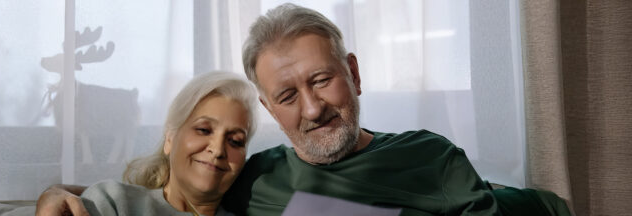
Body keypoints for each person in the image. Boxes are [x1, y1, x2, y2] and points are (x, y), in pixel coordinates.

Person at [38, 3, 571, 216]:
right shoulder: (257, 177)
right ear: (270, 109)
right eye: (289, 97)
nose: (313, 109)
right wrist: (54, 194)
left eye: (323, 81)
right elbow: (160, 193)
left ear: (354, 75)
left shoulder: (430, 157)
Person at [36, 72, 258, 216]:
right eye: (203, 130)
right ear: (170, 138)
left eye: (235, 141)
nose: (218, 149)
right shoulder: (114, 202)